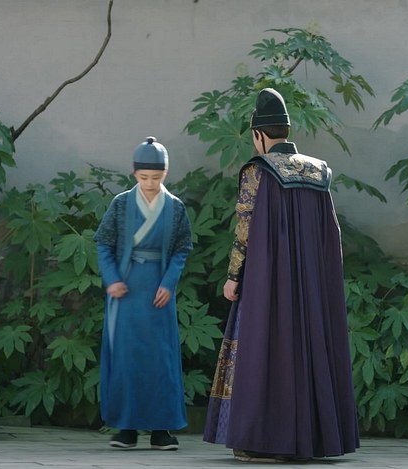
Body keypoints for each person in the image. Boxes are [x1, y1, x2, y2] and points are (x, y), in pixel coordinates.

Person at [203, 88, 360, 462]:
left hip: (268, 281)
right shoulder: (318, 171)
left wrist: (233, 276)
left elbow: (244, 229)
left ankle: (262, 440)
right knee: (306, 347)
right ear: (287, 131)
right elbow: (330, 234)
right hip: (311, 285)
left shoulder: (257, 171)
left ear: (258, 134)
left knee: (262, 348)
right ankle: (314, 439)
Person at [94, 136, 193, 450]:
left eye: (156, 177)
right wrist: (111, 279)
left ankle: (161, 430)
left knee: (160, 359)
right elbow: (103, 243)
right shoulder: (121, 204)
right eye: (144, 177)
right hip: (125, 289)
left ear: (165, 174)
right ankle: (126, 429)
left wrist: (169, 282)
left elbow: (182, 248)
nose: (150, 184)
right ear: (135, 174)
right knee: (126, 357)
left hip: (157, 292)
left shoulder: (175, 207)